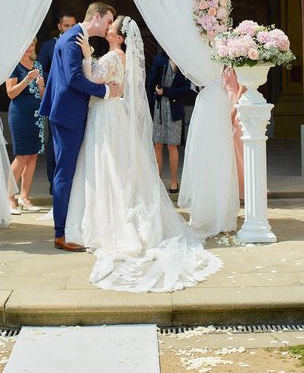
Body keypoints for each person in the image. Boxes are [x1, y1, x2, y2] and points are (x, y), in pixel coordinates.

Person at [65, 16, 222, 293]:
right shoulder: (119, 56)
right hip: (112, 113)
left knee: (108, 166)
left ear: (119, 37)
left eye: (112, 27)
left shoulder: (114, 56)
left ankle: (112, 221)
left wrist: (88, 56)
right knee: (112, 165)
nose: (108, 28)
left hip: (106, 114)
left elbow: (93, 79)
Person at [39, 2, 120, 252]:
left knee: (68, 171)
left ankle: (70, 225)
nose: (108, 26)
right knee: (64, 172)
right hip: (67, 114)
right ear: (96, 17)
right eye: (107, 20)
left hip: (66, 112)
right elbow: (74, 79)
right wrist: (106, 91)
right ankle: (61, 233)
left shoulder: (75, 37)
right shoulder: (73, 40)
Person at [38, 12, 77, 194]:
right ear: (60, 27)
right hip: (55, 98)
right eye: (66, 26)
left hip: (76, 101)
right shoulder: (48, 46)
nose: (69, 29)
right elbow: (40, 69)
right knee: (54, 142)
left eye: (72, 26)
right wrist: (57, 78)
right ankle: (54, 183)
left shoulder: (81, 44)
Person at [6, 39, 45, 214]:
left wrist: (41, 86)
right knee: (22, 156)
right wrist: (27, 80)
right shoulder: (14, 65)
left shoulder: (37, 65)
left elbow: (43, 96)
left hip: (36, 115)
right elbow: (11, 93)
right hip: (19, 114)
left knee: (33, 156)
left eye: (32, 45)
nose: (29, 48)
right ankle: (9, 198)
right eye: (26, 45)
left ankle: (25, 196)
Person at [147, 51, 190, 194]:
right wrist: (150, 103)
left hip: (175, 109)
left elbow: (186, 90)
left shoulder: (183, 61)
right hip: (159, 108)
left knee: (172, 145)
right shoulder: (160, 59)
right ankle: (157, 181)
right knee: (158, 144)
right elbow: (150, 82)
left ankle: (173, 181)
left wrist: (165, 91)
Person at [222, 67, 246, 201]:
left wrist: (234, 109)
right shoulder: (222, 65)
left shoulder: (236, 64)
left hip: (233, 104)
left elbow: (243, 87)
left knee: (238, 149)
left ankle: (243, 187)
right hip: (222, 103)